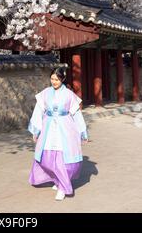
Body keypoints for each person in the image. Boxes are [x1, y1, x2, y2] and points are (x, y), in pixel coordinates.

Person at [28, 67, 88, 201]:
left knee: (63, 159)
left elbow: (76, 113)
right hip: (48, 128)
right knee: (46, 158)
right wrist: (36, 130)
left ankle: (63, 187)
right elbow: (38, 111)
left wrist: (82, 131)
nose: (54, 82)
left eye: (57, 79)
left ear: (63, 79)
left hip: (65, 128)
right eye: (52, 79)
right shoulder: (45, 93)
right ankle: (57, 179)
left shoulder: (69, 95)